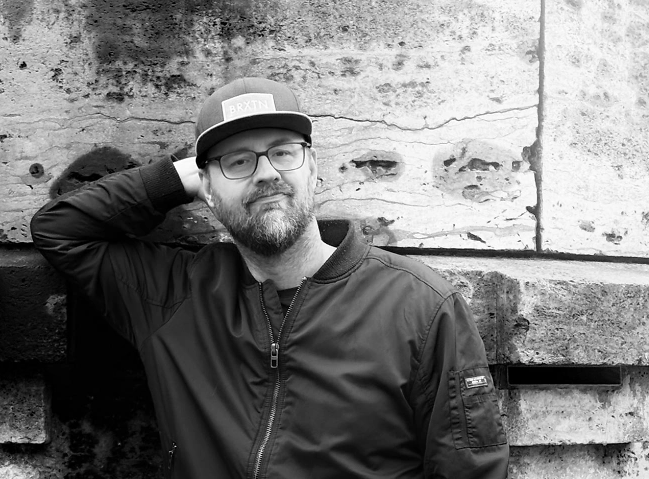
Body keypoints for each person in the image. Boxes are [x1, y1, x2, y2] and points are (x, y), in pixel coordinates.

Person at [31, 77, 509, 478]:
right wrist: (174, 179)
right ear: (207, 187)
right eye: (237, 161)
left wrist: (223, 168)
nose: (265, 174)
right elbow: (59, 230)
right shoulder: (171, 295)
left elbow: (471, 471)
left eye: (282, 152)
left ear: (313, 169)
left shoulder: (421, 306)